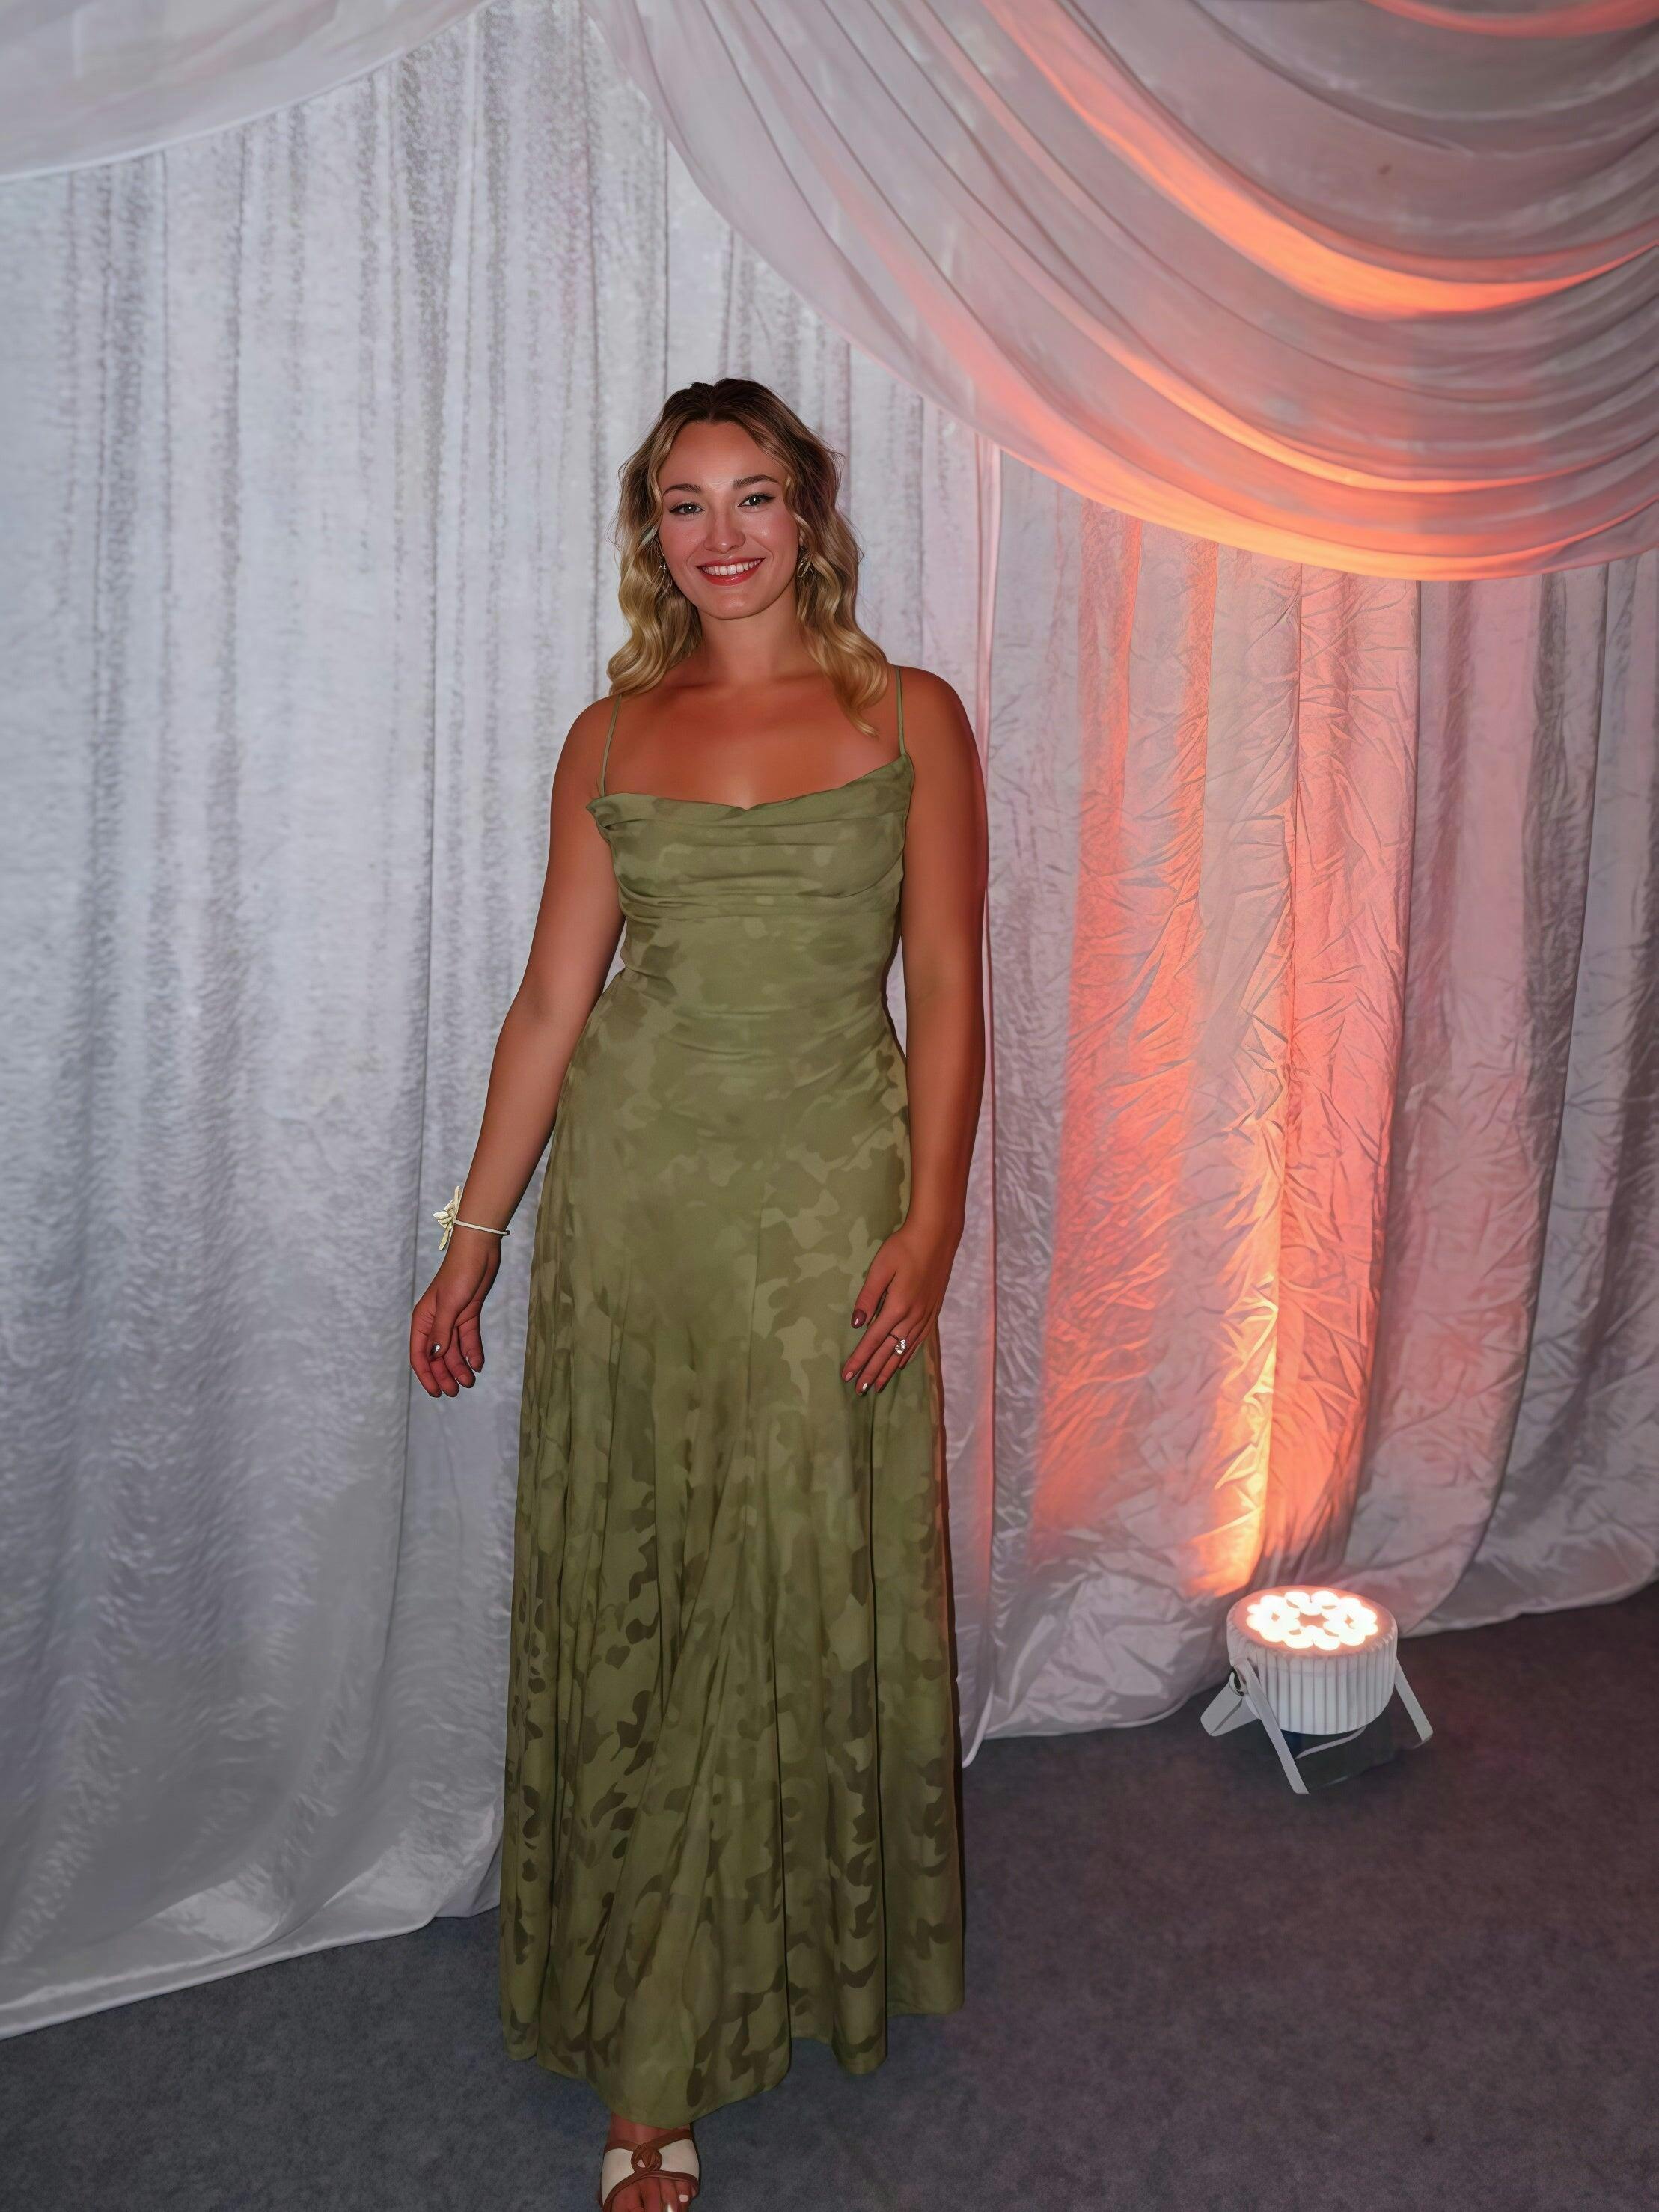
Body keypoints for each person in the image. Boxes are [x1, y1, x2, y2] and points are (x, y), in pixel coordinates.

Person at [409, 378, 987, 2212]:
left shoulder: (912, 715)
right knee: (668, 1565)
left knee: (771, 1564)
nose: (719, 534)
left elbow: (949, 985)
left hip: (827, 1192)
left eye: (752, 496)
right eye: (682, 503)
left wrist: (933, 1217)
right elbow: (551, 1002)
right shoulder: (610, 733)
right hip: (639, 1198)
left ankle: (745, 1967)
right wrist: (474, 1232)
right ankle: (649, 2069)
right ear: (648, 533)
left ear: (807, 513)